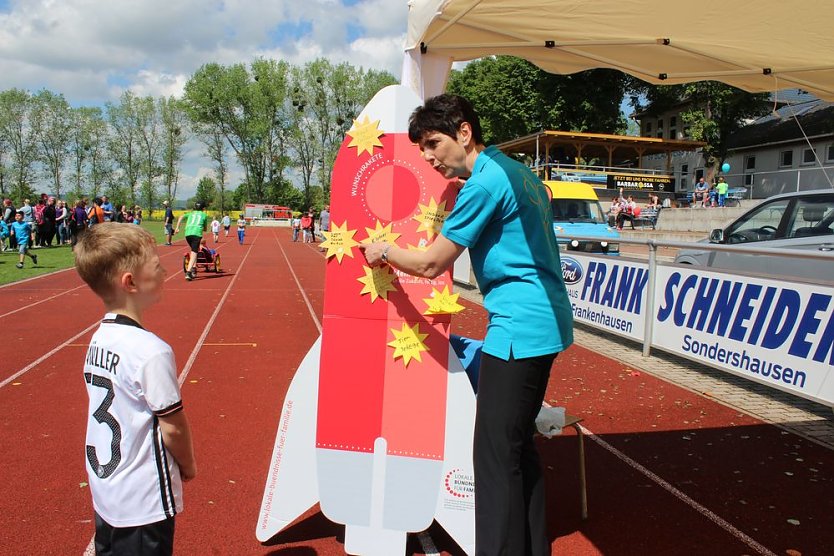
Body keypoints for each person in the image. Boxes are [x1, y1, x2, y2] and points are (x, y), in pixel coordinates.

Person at [359, 94, 573, 556]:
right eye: (421, 150)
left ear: (464, 132)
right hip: (546, 320)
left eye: (433, 144)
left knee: (495, 456)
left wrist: (383, 251)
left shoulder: (484, 184)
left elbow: (433, 263)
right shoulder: (518, 172)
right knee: (518, 447)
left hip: (519, 327)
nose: (429, 157)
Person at [74, 223, 197, 555]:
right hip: (143, 499)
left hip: (108, 487)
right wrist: (188, 465)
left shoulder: (99, 338)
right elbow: (172, 426)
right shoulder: (151, 351)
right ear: (130, 282)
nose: (164, 268)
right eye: (156, 264)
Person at [175, 201, 208, 281]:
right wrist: (203, 228)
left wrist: (177, 227)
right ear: (203, 208)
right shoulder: (204, 215)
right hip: (196, 234)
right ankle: (189, 272)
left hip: (187, 234)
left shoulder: (191, 213)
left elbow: (181, 217)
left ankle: (194, 269)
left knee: (194, 251)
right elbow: (205, 229)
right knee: (194, 253)